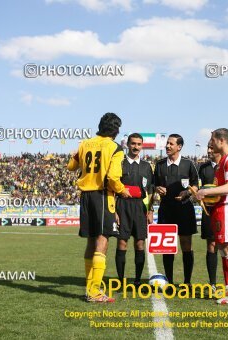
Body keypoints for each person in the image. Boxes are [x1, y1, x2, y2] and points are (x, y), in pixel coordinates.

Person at [67, 112, 131, 303]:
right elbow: (112, 178)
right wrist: (123, 191)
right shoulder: (115, 148)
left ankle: (90, 288)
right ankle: (94, 291)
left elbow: (71, 166)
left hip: (85, 196)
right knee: (102, 241)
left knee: (90, 241)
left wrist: (75, 154)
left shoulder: (85, 143)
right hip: (102, 196)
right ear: (117, 130)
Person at [196, 128, 228, 305]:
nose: (211, 143)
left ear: (221, 141)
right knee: (224, 251)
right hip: (221, 208)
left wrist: (205, 191)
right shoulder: (224, 160)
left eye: (213, 140)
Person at [154, 134, 199, 288]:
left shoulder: (188, 164)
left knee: (186, 245)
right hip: (166, 210)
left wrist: (187, 193)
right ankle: (170, 281)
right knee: (167, 247)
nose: (167, 146)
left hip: (185, 209)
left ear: (179, 147)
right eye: (167, 143)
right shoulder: (159, 165)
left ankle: (187, 282)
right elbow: (154, 184)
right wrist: (157, 189)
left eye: (171, 144)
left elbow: (196, 185)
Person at [115, 133, 154, 287]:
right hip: (122, 206)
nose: (136, 147)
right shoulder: (120, 163)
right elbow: (112, 188)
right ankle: (120, 281)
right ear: (127, 145)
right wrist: (115, 212)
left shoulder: (146, 166)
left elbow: (150, 190)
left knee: (139, 244)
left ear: (142, 146)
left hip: (140, 208)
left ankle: (137, 280)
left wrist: (150, 211)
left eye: (139, 144)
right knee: (122, 243)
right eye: (133, 144)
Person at [198, 141, 221, 290]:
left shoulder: (227, 166)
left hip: (223, 211)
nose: (208, 150)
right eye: (207, 147)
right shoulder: (203, 168)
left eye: (211, 147)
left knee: (225, 246)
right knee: (211, 245)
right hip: (208, 211)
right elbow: (199, 188)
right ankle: (212, 283)